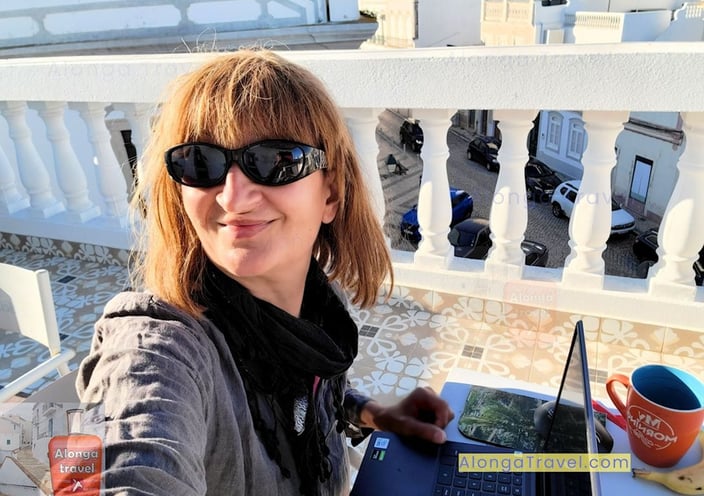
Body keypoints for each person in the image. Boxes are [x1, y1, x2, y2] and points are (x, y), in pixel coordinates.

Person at [76, 49, 453, 496]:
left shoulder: (312, 309)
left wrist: (372, 414)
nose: (233, 198)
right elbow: (133, 451)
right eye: (201, 162)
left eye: (276, 160)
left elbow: (296, 394)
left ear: (330, 195)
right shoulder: (159, 348)